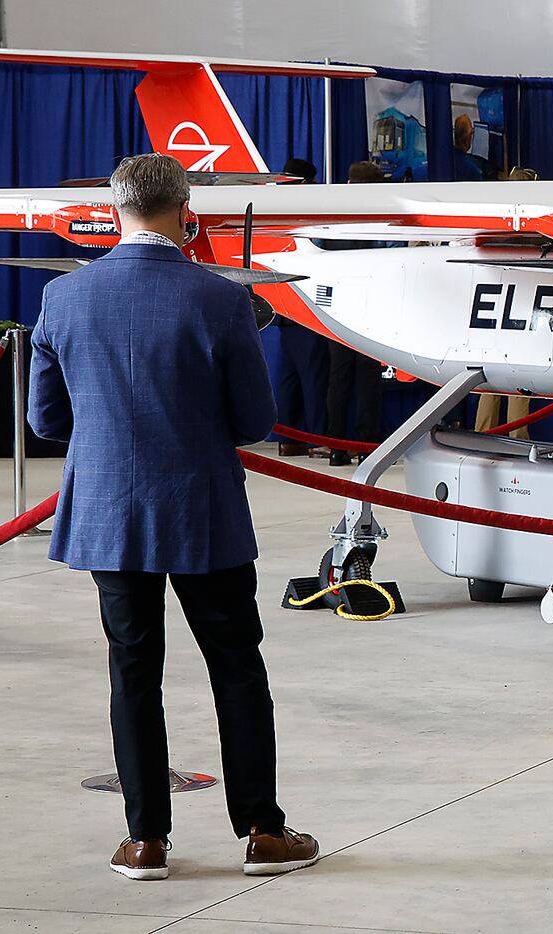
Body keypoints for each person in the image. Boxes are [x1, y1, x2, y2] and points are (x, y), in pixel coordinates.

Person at [28, 153, 318, 881]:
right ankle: (262, 832)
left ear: (116, 209)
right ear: (186, 211)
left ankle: (145, 840)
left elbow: (45, 419)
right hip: (204, 511)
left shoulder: (65, 300)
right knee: (236, 669)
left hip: (108, 510)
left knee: (132, 670)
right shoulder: (220, 299)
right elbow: (254, 419)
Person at [321, 160, 389, 465]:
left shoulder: (334, 219)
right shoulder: (379, 219)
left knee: (338, 380)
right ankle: (366, 448)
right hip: (372, 309)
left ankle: (336, 448)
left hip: (338, 309)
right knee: (368, 382)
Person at [269, 158, 330, 456]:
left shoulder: (276, 209)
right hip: (307, 305)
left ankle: (288, 438)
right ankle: (318, 437)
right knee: (312, 377)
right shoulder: (308, 212)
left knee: (289, 377)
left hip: (283, 305)